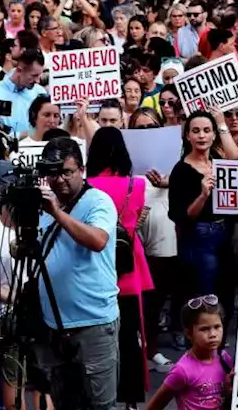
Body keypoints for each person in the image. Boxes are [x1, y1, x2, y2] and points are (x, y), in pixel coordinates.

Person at [33, 137, 120, 410]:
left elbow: (97, 241)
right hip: (54, 325)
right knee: (65, 404)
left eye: (67, 172)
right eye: (52, 173)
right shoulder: (44, 205)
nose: (59, 180)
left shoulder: (99, 201)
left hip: (93, 323)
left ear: (82, 170)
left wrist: (57, 213)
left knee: (100, 405)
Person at [86, 127, 153, 407]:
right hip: (129, 266)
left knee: (99, 336)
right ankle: (131, 399)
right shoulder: (136, 185)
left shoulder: (87, 185)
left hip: (97, 265)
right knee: (130, 337)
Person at [168, 111, 224, 301]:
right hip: (198, 240)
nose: (201, 136)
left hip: (224, 236)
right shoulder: (180, 170)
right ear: (187, 136)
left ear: (214, 134)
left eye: (207, 130)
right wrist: (202, 196)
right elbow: (179, 216)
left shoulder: (220, 162)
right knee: (204, 297)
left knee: (225, 291)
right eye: (196, 131)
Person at [144, 295, 232, 410]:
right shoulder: (182, 370)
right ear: (189, 333)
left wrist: (228, 389)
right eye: (204, 329)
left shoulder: (225, 359)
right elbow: (155, 405)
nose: (213, 334)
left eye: (217, 327)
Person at [0, 48, 47, 137]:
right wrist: (22, 135)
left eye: (39, 75)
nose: (37, 81)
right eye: (34, 75)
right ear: (19, 71)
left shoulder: (40, 92)